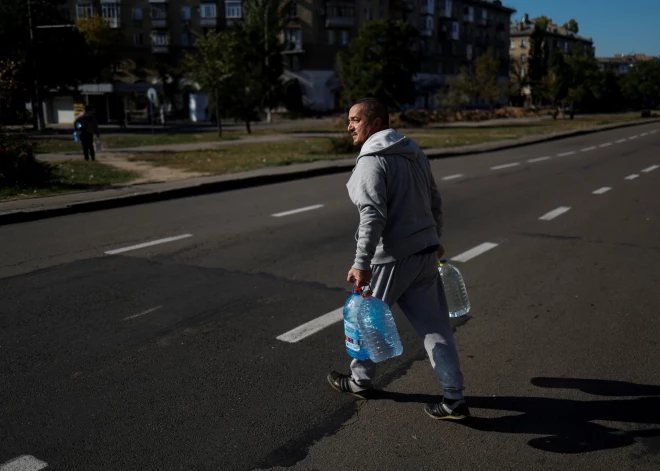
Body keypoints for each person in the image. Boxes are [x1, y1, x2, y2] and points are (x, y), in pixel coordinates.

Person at [326, 98, 469, 420]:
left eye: (355, 120)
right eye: (348, 120)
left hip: (390, 259)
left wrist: (361, 263)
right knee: (436, 329)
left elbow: (372, 215)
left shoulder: (371, 161)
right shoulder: (413, 152)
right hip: (424, 253)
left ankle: (360, 381)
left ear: (375, 123)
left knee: (365, 319)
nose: (349, 126)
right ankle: (454, 398)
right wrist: (435, 239)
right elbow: (434, 199)